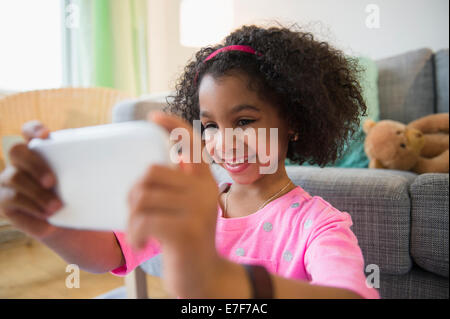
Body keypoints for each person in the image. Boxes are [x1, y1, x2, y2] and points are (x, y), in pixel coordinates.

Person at [0, 25, 379, 299]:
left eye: (244, 121)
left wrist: (219, 280)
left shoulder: (317, 224)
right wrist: (48, 224)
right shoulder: (195, 202)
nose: (223, 141)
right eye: (210, 125)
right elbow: (109, 252)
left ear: (293, 121)